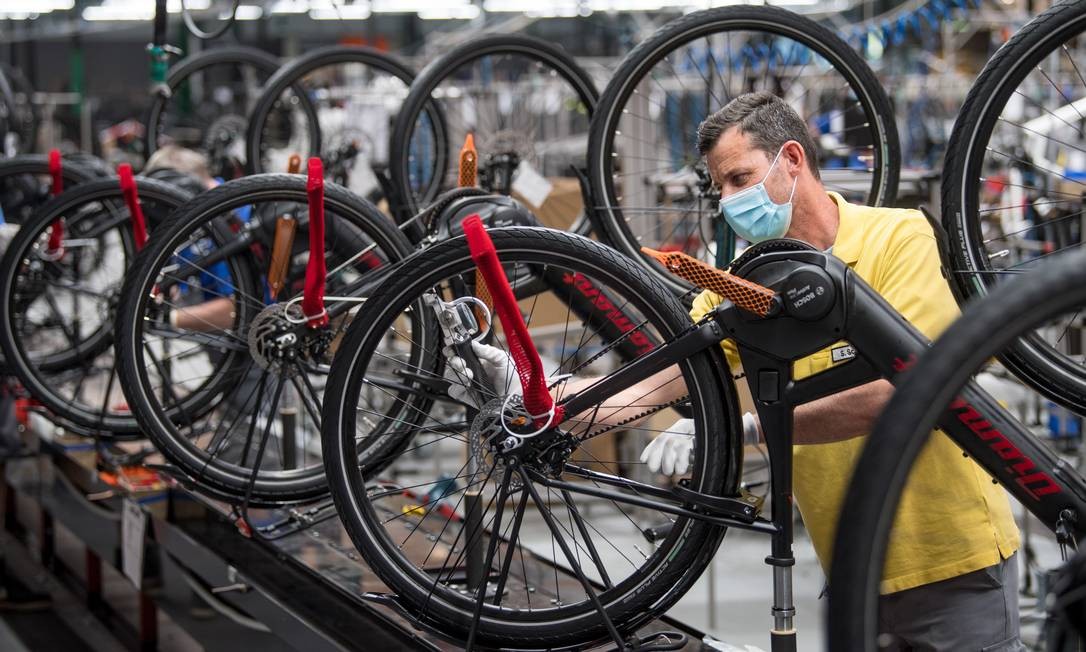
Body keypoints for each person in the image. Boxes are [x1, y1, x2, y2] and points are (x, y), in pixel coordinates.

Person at [454, 91, 1023, 651]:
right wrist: (541, 401)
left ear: (792, 160)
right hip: (853, 569)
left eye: (740, 178)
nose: (727, 201)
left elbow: (911, 393)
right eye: (718, 187)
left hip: (953, 562)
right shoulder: (747, 282)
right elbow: (653, 384)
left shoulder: (896, 238)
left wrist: (749, 428)